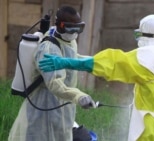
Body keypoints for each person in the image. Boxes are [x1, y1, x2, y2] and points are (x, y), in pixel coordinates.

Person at [8, 6, 96, 141]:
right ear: (59, 25)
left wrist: (93, 64)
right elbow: (54, 83)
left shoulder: (68, 40)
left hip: (63, 106)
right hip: (43, 107)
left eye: (78, 28)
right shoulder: (48, 49)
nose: (74, 32)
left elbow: (72, 58)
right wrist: (79, 96)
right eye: (70, 28)